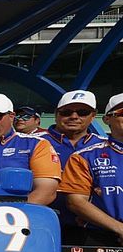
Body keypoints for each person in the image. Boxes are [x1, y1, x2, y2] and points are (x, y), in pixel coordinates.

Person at [37, 90, 104, 244]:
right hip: (40, 225)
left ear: (93, 116)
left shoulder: (104, 146)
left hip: (92, 229)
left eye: (82, 112)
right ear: (56, 114)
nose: (74, 116)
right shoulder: (32, 143)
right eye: (66, 112)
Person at [60, 93, 123, 247]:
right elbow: (76, 201)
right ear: (107, 119)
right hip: (101, 238)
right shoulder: (84, 156)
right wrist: (120, 229)